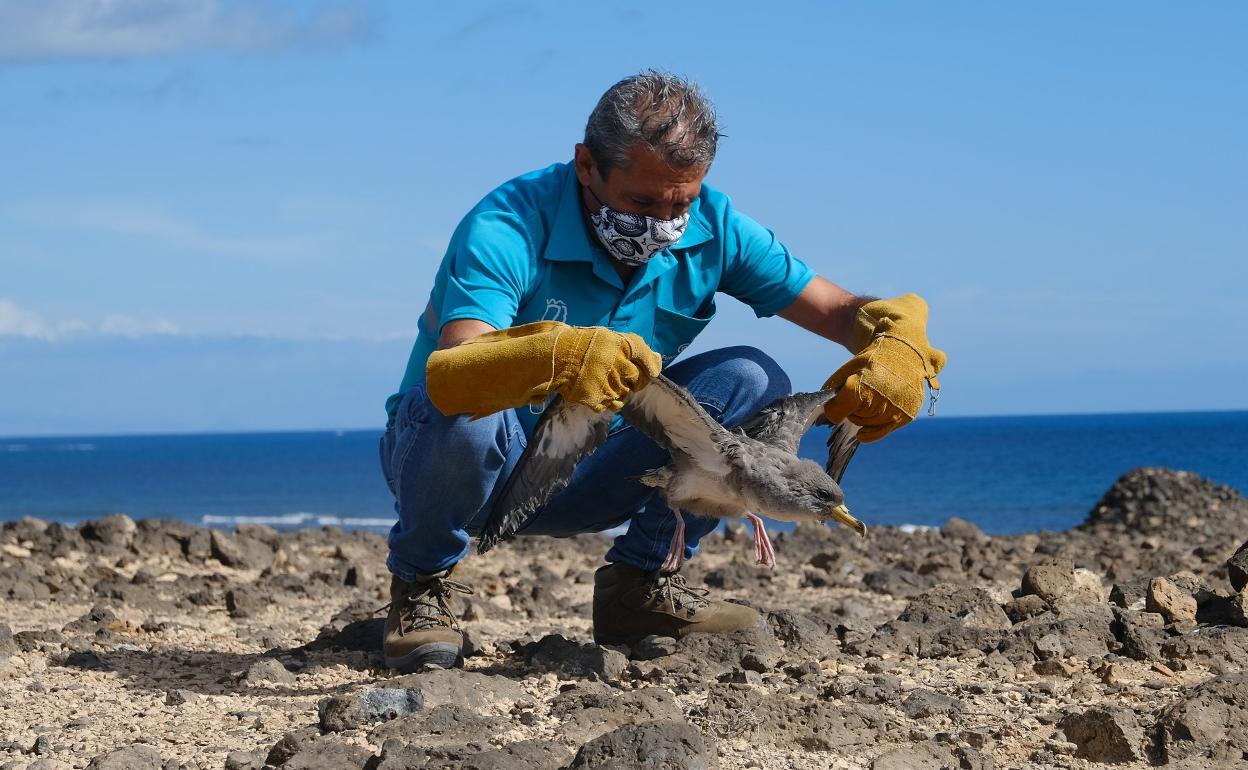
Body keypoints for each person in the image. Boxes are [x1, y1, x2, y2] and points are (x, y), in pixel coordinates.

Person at [378, 71, 946, 671]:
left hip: (591, 470)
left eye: (681, 202)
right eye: (642, 203)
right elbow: (460, 365)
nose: (663, 224)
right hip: (468, 473)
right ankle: (421, 586)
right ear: (586, 165)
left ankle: (640, 588)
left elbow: (836, 309)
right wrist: (563, 355)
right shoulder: (508, 223)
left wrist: (898, 338)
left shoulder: (714, 227)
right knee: (467, 406)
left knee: (752, 378)